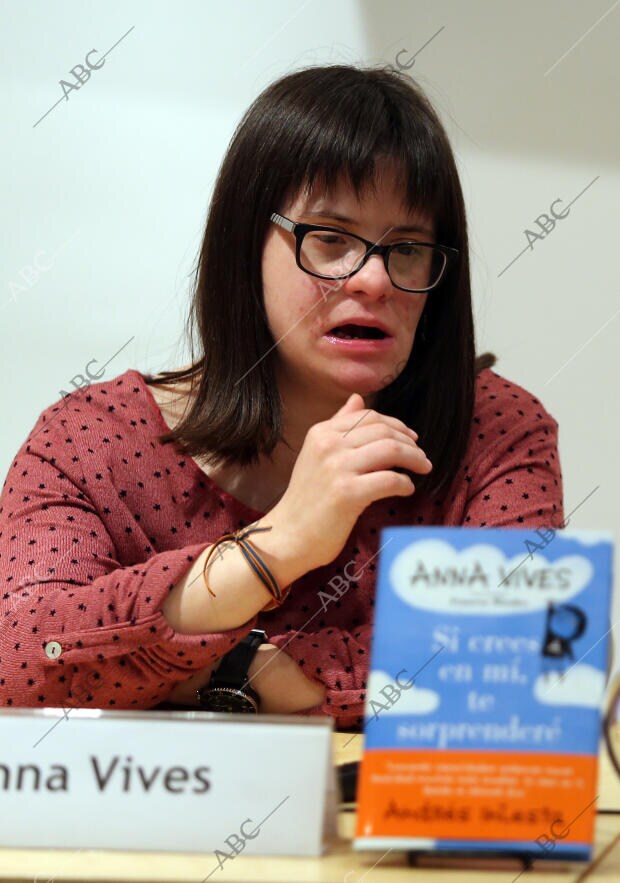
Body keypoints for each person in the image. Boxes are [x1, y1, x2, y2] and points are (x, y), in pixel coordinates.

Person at [0, 64, 563, 729]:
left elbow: (515, 673)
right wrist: (278, 544)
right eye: (330, 239)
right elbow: (21, 660)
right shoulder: (92, 440)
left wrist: (227, 675)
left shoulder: (494, 428)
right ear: (244, 247)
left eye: (407, 248)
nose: (376, 279)